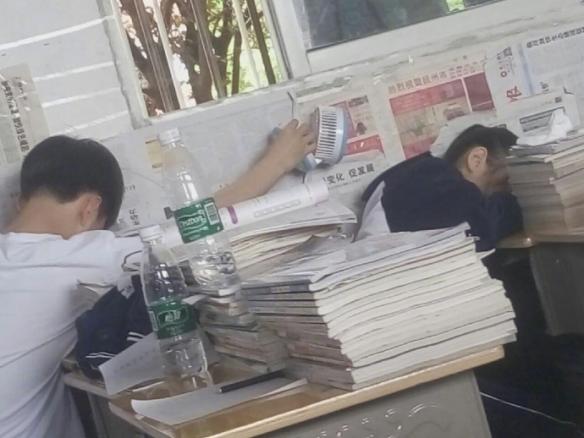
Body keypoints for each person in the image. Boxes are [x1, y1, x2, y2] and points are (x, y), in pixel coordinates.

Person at [0, 120, 315, 438]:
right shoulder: (81, 255)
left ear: (20, 202)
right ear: (90, 210)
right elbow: (196, 227)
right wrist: (278, 162)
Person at [359, 124, 523, 250]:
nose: (507, 192)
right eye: (505, 183)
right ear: (476, 159)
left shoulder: (420, 176)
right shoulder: (434, 176)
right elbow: (485, 226)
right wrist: (525, 201)